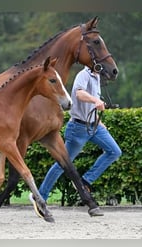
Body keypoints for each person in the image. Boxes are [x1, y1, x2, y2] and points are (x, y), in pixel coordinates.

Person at [29, 66, 122, 217]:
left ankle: (85, 181)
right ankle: (39, 196)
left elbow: (91, 103)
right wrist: (95, 100)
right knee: (62, 164)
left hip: (95, 126)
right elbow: (79, 94)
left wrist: (97, 118)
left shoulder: (96, 77)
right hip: (78, 128)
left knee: (114, 151)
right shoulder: (83, 75)